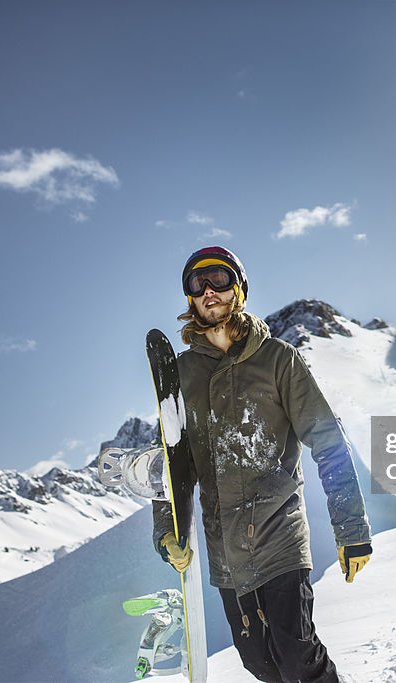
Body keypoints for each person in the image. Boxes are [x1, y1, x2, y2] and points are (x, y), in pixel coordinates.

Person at [151, 245, 373, 683]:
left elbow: (328, 441)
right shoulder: (182, 376)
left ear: (240, 289)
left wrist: (352, 530)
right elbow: (171, 465)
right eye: (197, 284)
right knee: (260, 663)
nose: (208, 290)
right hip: (225, 548)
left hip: (279, 536)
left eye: (218, 278)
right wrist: (167, 530)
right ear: (190, 298)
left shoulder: (278, 360)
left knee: (296, 655)